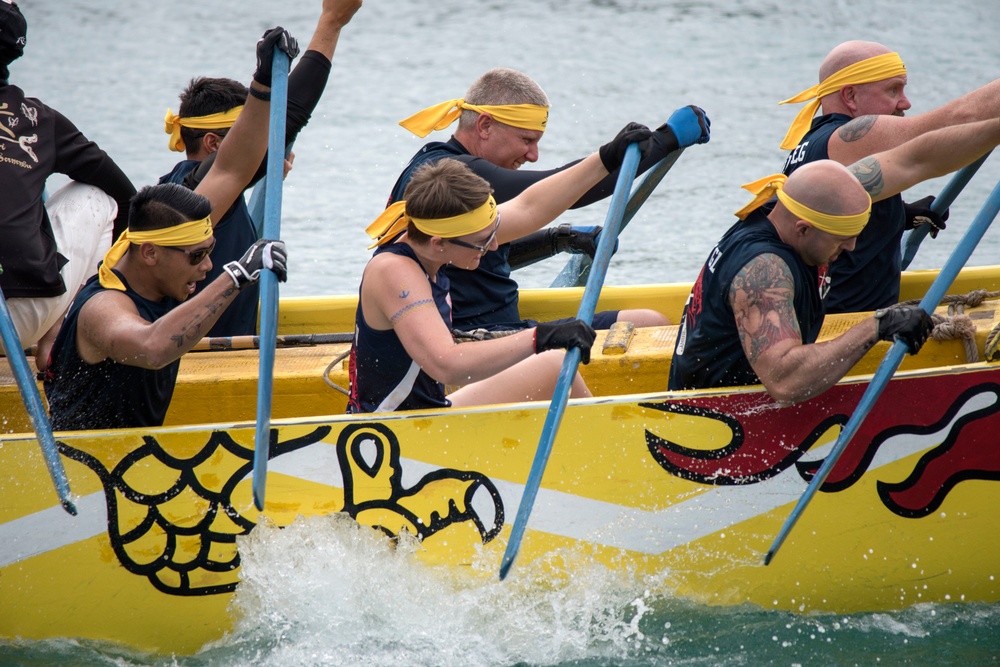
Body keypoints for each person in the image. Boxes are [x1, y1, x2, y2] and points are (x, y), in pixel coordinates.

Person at [43, 26, 302, 431]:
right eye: (197, 256)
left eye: (210, 250)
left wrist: (264, 80)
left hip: (136, 461)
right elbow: (152, 347)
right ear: (150, 253)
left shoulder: (161, 253)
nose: (207, 265)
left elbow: (233, 168)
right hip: (87, 473)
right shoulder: (104, 308)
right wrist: (237, 275)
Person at [669, 118, 1000, 404]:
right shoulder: (763, 270)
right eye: (843, 237)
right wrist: (877, 327)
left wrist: (897, 216)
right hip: (714, 417)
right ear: (804, 229)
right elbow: (786, 381)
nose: (853, 247)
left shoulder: (791, 202)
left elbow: (915, 159)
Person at [348, 123, 659, 414]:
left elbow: (529, 206)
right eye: (483, 243)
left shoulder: (435, 241)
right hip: (392, 429)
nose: (494, 247)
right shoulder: (394, 271)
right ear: (439, 243)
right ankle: (609, 458)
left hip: (430, 409)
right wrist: (542, 337)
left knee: (559, 363)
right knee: (552, 363)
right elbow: (447, 363)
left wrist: (606, 157)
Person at [389, 67, 711, 332]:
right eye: (527, 140)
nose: (533, 155)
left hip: (497, 326)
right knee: (649, 325)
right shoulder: (454, 176)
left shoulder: (435, 161)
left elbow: (477, 251)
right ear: (485, 125)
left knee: (647, 321)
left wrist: (559, 239)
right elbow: (561, 191)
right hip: (475, 339)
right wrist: (664, 140)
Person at [159, 0, 361, 337]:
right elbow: (288, 115)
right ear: (213, 144)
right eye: (245, 134)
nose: (255, 143)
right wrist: (331, 23)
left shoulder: (180, 187)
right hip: (199, 361)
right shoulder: (194, 197)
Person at [778, 40, 1000, 314]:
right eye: (893, 89)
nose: (905, 102)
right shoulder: (850, 138)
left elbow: (830, 212)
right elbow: (960, 118)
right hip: (842, 329)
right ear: (850, 96)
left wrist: (897, 214)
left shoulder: (814, 142)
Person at [0, 0, 136, 370]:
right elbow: (127, 198)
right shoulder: (39, 119)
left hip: (12, 314)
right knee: (96, 196)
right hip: (24, 316)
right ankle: (61, 332)